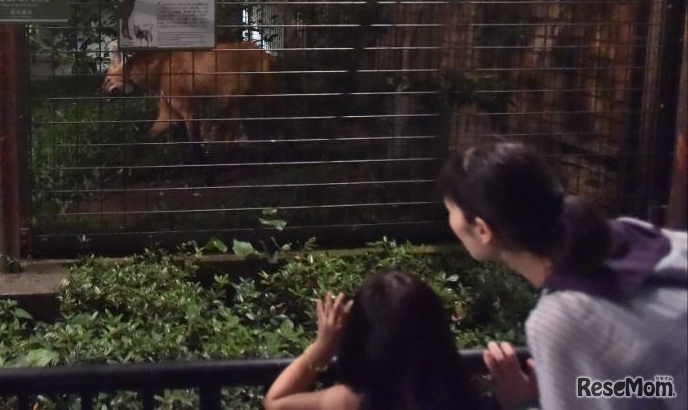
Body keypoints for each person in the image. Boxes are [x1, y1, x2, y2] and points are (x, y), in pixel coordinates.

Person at [438, 141, 688, 409]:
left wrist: (523, 402)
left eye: (450, 211)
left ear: (482, 229)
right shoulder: (632, 234)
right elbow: (654, 383)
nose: (449, 221)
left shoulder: (559, 319)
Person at [264, 269, 485, 410]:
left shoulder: (346, 402)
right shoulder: (465, 396)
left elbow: (276, 402)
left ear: (358, 335)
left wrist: (322, 347)